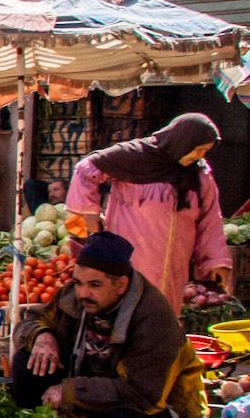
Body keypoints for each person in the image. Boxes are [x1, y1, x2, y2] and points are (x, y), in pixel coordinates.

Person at [10, 230, 211, 418]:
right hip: (91, 389)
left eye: (95, 285)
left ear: (121, 285)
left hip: (155, 409)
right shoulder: (74, 296)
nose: (83, 293)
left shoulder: (154, 318)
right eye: (78, 283)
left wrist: (71, 390)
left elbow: (142, 395)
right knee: (27, 362)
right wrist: (42, 336)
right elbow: (32, 320)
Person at [65, 113, 231, 316]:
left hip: (174, 265)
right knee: (129, 315)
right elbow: (86, 169)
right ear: (182, 141)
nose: (200, 156)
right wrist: (91, 216)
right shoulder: (133, 157)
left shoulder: (199, 175)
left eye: (205, 151)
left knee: (164, 319)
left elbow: (210, 221)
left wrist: (215, 262)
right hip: (132, 258)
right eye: (198, 150)